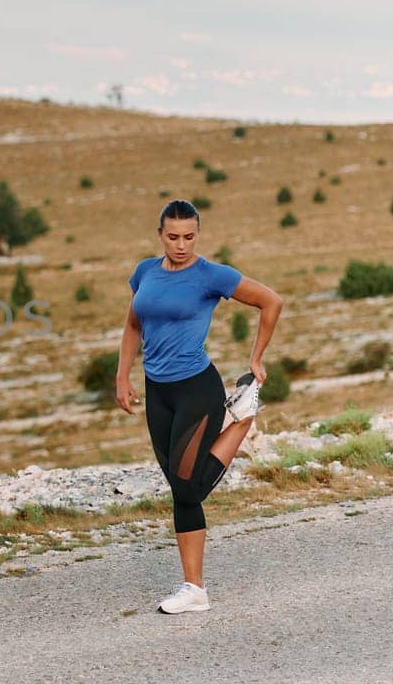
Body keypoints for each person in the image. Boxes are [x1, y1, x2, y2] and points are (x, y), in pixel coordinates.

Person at [114, 199, 284, 614]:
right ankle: (195, 589)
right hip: (159, 393)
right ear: (160, 235)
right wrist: (122, 375)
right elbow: (134, 323)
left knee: (187, 487)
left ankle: (240, 421)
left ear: (197, 234)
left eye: (189, 236)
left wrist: (256, 359)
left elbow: (271, 301)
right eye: (173, 236)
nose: (181, 245)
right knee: (180, 488)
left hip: (196, 389)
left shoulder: (211, 275)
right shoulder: (145, 272)